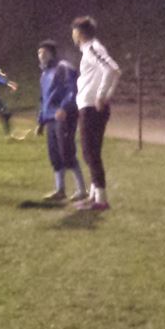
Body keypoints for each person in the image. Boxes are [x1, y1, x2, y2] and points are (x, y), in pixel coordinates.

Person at [72, 16, 121, 210]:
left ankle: (101, 200)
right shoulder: (89, 49)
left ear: (79, 33)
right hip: (90, 106)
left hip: (91, 107)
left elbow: (112, 69)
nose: (72, 34)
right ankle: (94, 196)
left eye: (74, 30)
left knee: (90, 152)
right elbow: (114, 71)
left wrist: (102, 96)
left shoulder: (92, 48)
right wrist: (105, 95)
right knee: (91, 153)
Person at [35, 39, 86, 202]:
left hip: (64, 116)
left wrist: (64, 108)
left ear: (51, 53)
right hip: (50, 117)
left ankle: (82, 189)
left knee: (67, 152)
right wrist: (40, 121)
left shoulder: (63, 67)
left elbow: (73, 89)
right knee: (55, 154)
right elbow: (43, 99)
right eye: (39, 52)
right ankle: (60, 190)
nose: (40, 55)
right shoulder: (44, 73)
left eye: (43, 52)